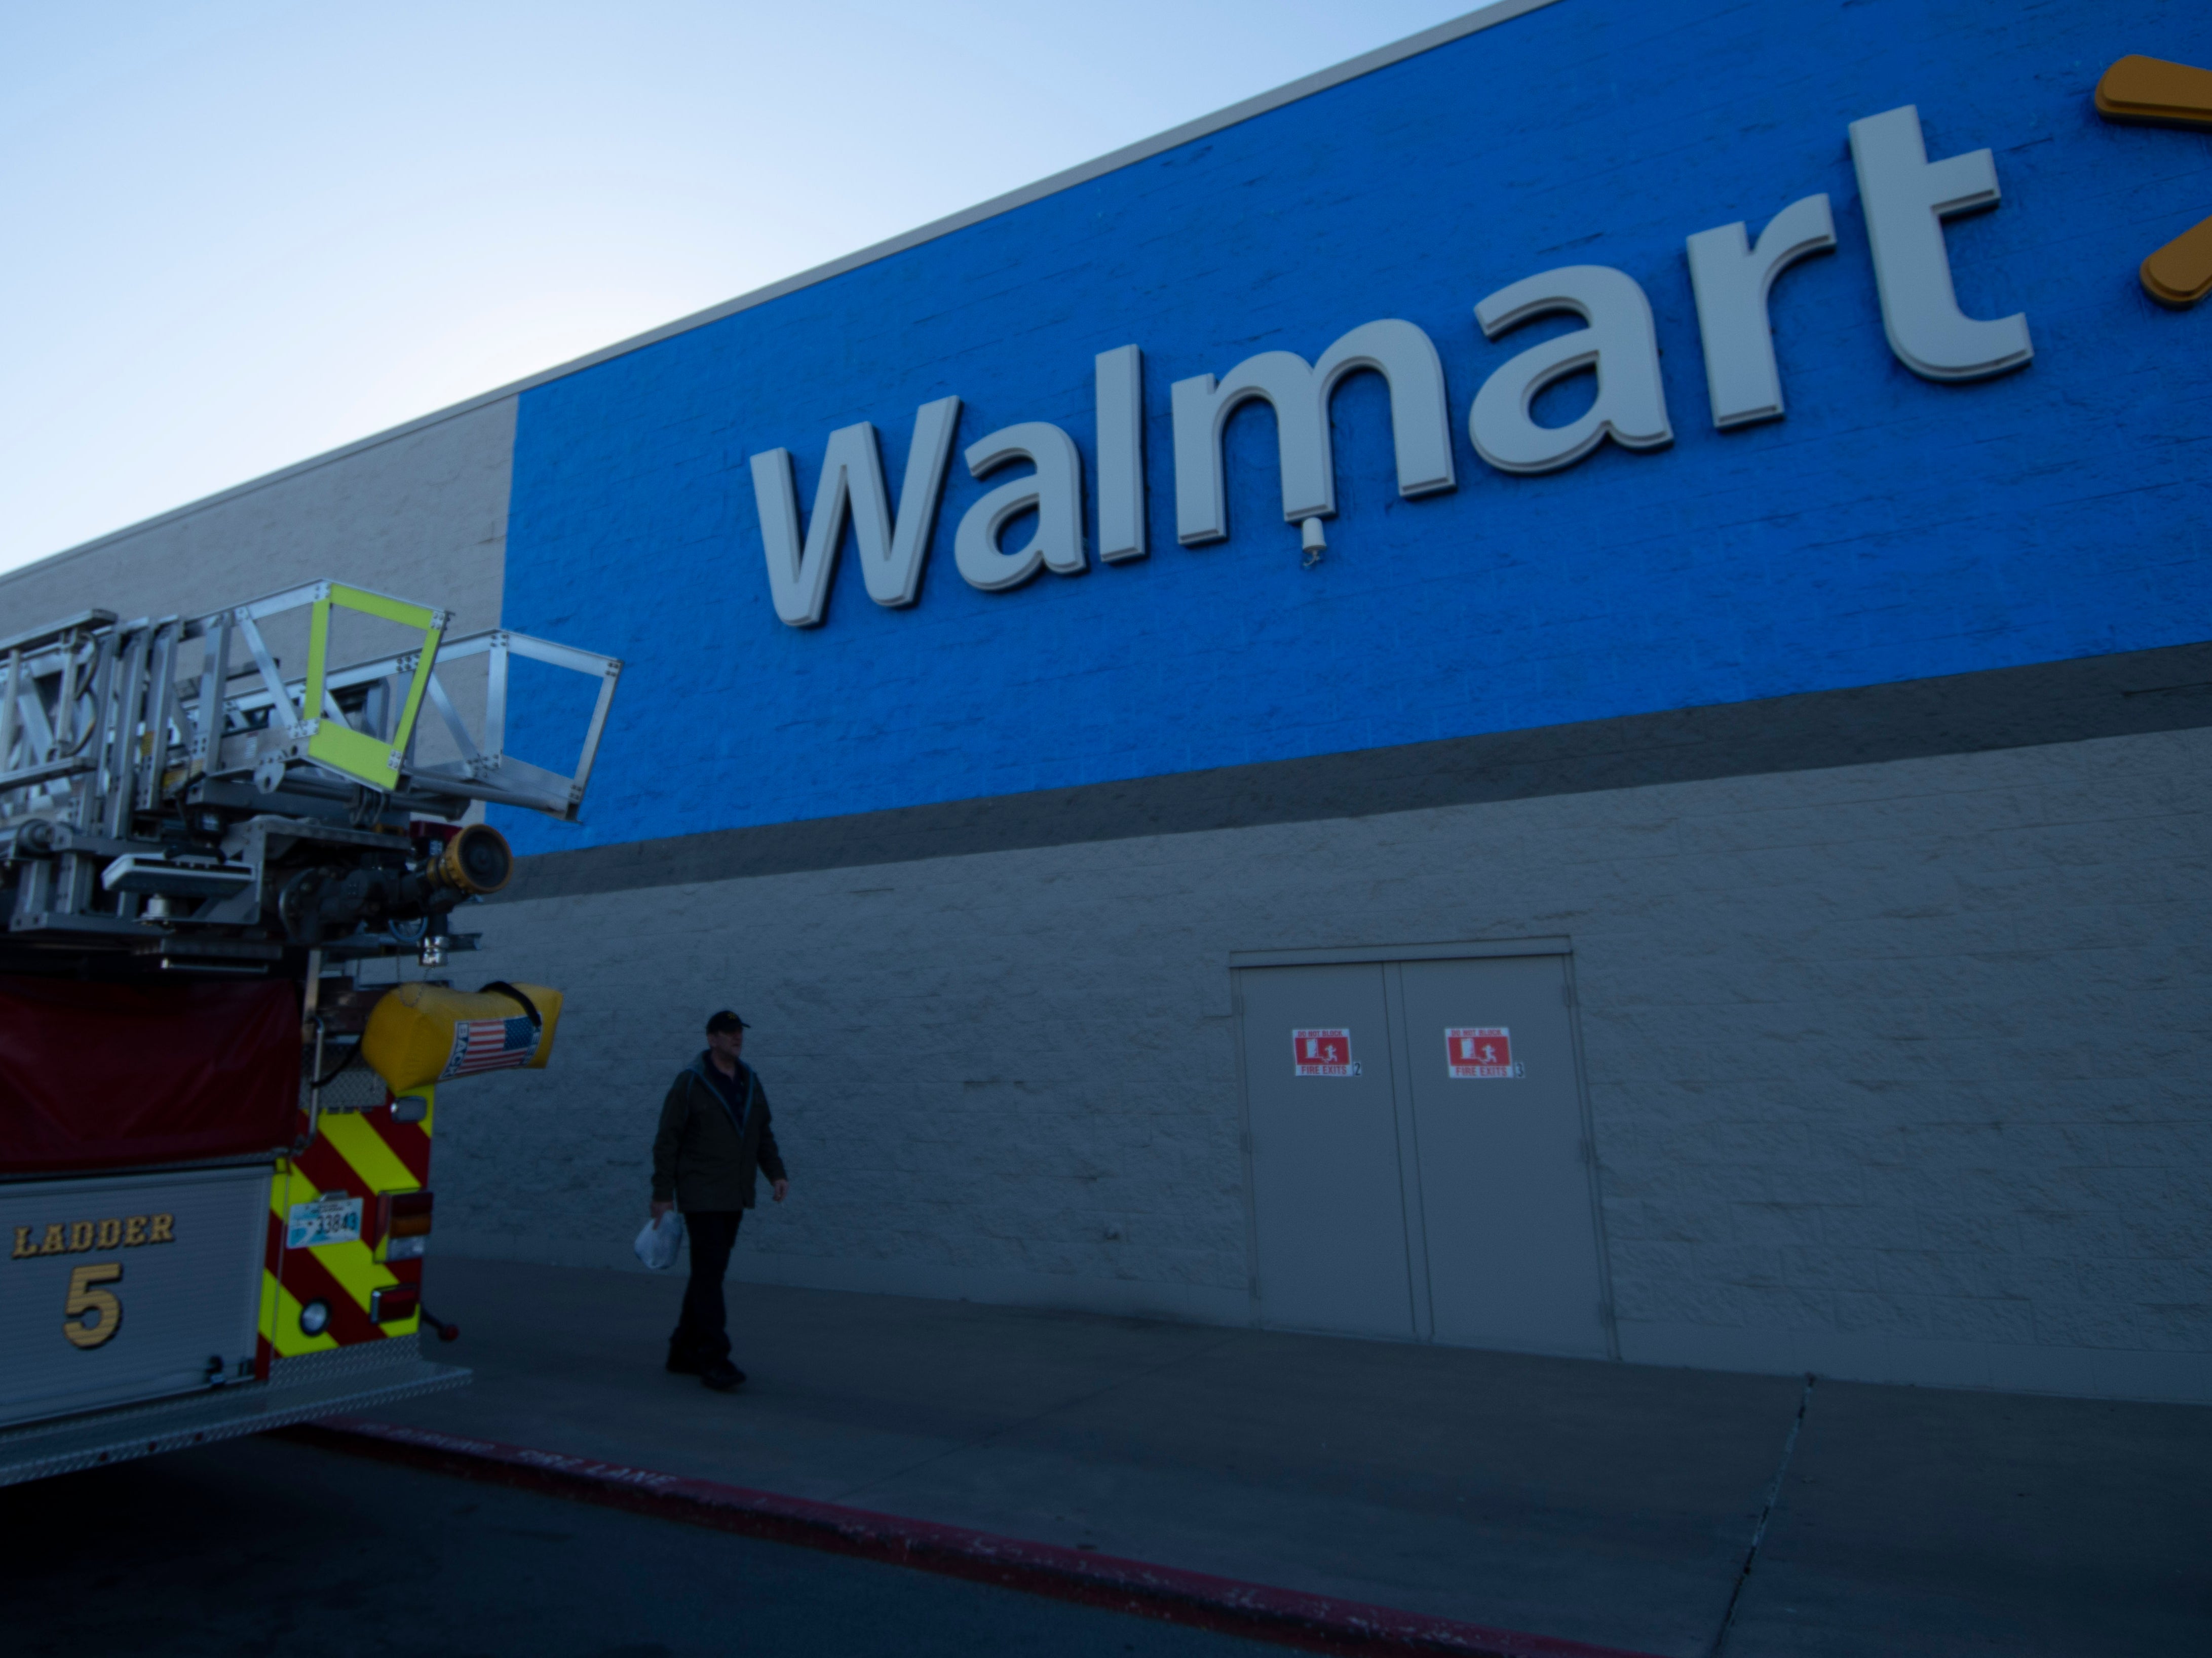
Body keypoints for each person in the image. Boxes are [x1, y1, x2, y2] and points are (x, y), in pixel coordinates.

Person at [650, 1010, 789, 1391]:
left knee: (708, 1273)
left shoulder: (749, 1080)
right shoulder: (691, 1082)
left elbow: (762, 1133)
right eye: (728, 1032)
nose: (736, 1037)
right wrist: (662, 1194)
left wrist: (776, 1173)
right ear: (711, 1039)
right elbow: (667, 1141)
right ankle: (714, 1358)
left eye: (739, 1031)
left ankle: (682, 1350)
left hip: (734, 1193)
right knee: (710, 1274)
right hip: (701, 1194)